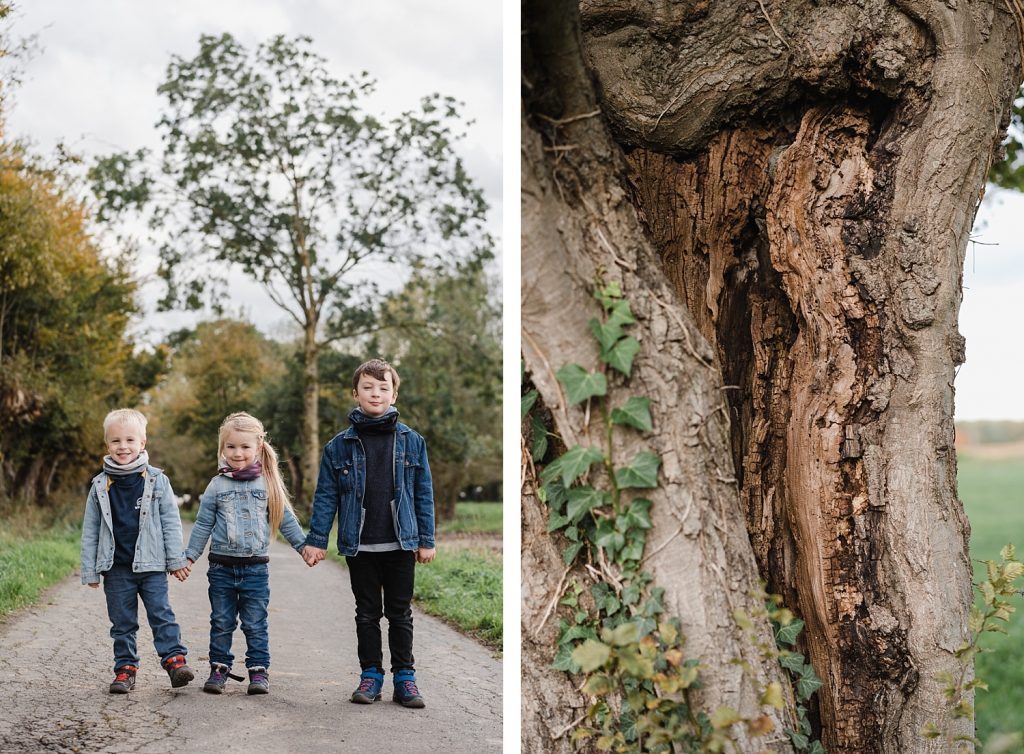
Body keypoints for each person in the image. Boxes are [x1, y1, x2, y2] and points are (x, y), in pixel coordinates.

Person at [303, 358, 436, 708]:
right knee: (366, 613)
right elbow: (326, 496)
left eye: (383, 388)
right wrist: (317, 541)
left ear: (394, 394)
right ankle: (371, 675)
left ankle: (405, 678)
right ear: (355, 393)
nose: (375, 393)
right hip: (359, 544)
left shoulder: (412, 442)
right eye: (368, 387)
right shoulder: (338, 447)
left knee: (399, 613)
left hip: (400, 542)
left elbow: (423, 492)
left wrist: (426, 539)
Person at [186, 412, 310, 695]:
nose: (237, 453)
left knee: (255, 622)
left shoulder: (267, 485)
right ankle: (219, 669)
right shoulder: (216, 486)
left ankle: (258, 671)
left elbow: (285, 519)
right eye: (231, 447)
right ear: (222, 448)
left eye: (245, 447)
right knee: (221, 621)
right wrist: (190, 556)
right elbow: (203, 524)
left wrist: (303, 547)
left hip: (255, 569)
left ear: (258, 446)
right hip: (221, 568)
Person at [80, 408, 193, 694]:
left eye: (130, 440)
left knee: (161, 614)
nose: (123, 447)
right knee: (122, 623)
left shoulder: (156, 480)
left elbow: (170, 522)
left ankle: (175, 662)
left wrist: (176, 559)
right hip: (116, 568)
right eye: (116, 441)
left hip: (152, 565)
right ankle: (125, 670)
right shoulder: (99, 486)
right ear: (108, 445)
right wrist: (90, 570)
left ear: (142, 443)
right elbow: (91, 530)